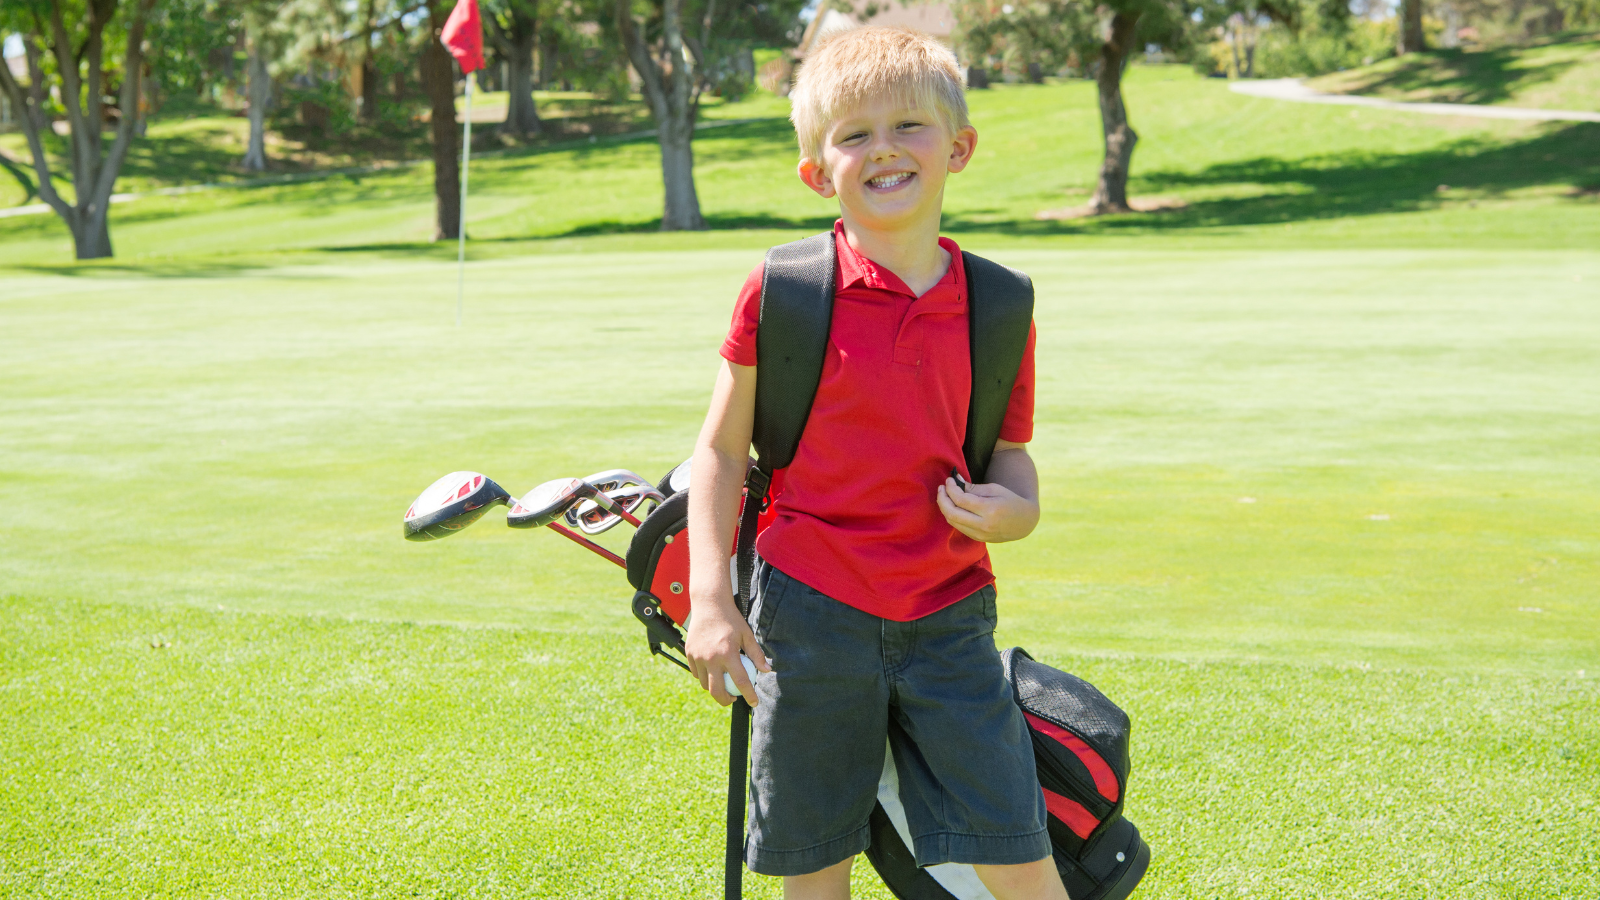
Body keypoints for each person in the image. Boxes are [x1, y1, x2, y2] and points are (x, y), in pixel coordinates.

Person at [685, 26, 1062, 900]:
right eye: (853, 135)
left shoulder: (1000, 303)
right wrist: (711, 600)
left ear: (959, 147)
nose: (883, 149)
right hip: (806, 616)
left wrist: (1018, 511)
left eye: (910, 127)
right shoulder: (784, 290)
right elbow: (718, 448)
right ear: (819, 170)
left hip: (951, 613)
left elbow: (1012, 457)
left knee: (1016, 848)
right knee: (812, 863)